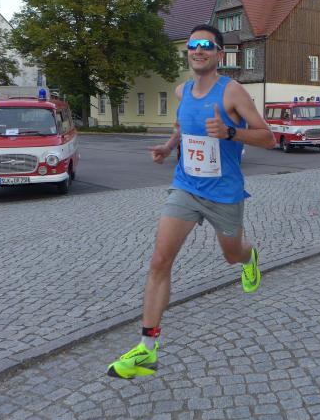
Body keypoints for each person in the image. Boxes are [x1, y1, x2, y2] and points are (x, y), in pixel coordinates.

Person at [106, 24, 275, 380]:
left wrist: (231, 132)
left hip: (224, 194)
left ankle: (250, 258)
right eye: (193, 45)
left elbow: (268, 137)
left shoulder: (232, 92)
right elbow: (183, 126)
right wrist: (169, 147)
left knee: (232, 255)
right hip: (185, 187)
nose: (198, 50)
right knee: (159, 261)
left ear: (219, 54)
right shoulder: (182, 91)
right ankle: (147, 350)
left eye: (206, 45)